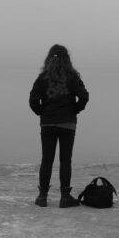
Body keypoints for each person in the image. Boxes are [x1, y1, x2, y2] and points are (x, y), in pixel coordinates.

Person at [28, 44, 89, 208]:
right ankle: (64, 197)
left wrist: (42, 113)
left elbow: (33, 100)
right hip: (67, 123)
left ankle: (42, 197)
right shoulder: (72, 77)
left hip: (47, 123)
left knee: (46, 160)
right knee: (65, 160)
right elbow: (84, 96)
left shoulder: (42, 78)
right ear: (67, 59)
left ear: (49, 58)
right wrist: (74, 110)